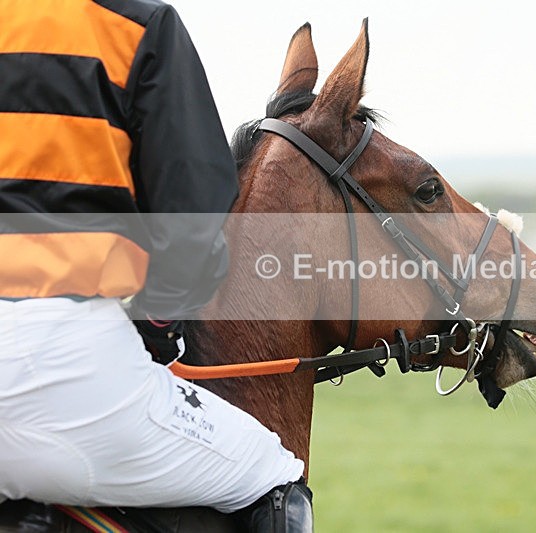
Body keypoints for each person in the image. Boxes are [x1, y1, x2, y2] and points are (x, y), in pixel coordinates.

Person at [0, 1, 312, 531]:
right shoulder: (136, 24)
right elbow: (191, 216)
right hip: (62, 355)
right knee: (273, 475)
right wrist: (159, 326)